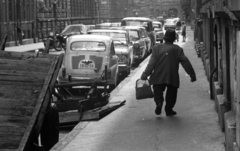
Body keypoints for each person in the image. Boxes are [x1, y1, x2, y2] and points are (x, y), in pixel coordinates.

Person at [140, 29, 196, 116]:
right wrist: (192, 74)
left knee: (157, 91)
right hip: (172, 76)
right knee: (171, 94)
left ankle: (159, 103)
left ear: (164, 38)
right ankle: (169, 109)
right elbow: (185, 62)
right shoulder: (178, 49)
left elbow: (151, 65)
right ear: (174, 39)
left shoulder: (156, 49)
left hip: (158, 76)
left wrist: (144, 75)